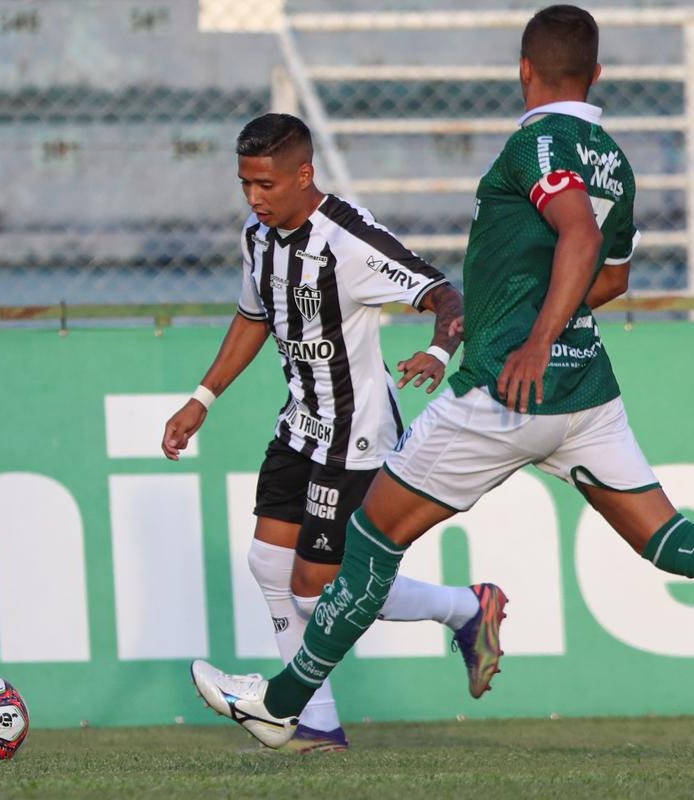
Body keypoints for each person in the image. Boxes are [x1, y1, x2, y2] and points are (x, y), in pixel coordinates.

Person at [189, 6, 694, 749]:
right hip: (585, 395)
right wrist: (549, 324)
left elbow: (578, 234)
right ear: (595, 75)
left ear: (524, 70)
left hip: (504, 390)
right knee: (671, 540)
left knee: (368, 539)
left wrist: (532, 338)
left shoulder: (535, 144)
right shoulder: (614, 162)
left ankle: (283, 704)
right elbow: (611, 276)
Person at [162, 113, 507, 753]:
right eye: (245, 184)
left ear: (303, 174)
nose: (255, 197)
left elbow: (445, 295)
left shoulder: (348, 239)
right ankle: (315, 724)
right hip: (300, 422)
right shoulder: (257, 236)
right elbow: (252, 317)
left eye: (266, 184)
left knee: (318, 588)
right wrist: (201, 398)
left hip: (357, 434)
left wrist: (436, 352)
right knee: (268, 561)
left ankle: (463, 608)